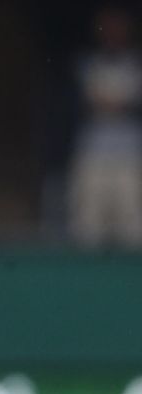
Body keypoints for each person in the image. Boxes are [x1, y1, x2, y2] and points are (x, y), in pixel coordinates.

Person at [67, 3, 142, 249]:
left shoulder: (135, 64)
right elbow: (82, 103)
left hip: (131, 150)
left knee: (132, 218)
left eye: (117, 27)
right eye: (107, 27)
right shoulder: (87, 64)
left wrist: (121, 104)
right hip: (94, 149)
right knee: (88, 219)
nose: (112, 32)